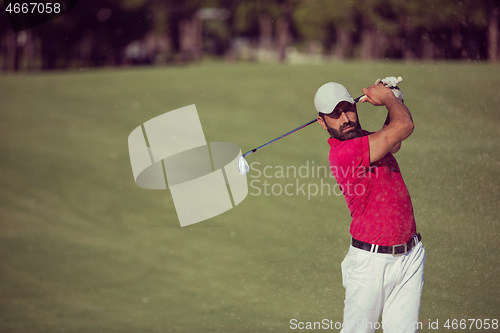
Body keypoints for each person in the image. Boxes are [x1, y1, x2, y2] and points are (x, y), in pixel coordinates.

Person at [314, 79, 426, 333]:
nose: (345, 118)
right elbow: (404, 125)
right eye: (334, 114)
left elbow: (393, 141)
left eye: (347, 109)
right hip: (370, 264)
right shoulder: (344, 153)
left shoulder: (366, 140)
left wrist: (395, 98)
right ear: (322, 122)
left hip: (409, 256)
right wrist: (388, 98)